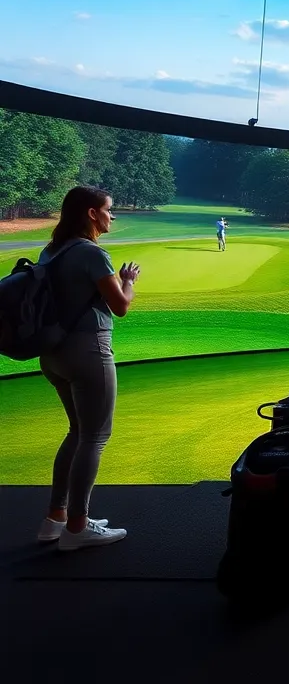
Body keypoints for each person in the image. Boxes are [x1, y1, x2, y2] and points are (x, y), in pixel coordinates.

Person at [35, 186, 140, 551]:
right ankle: (78, 528)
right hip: (89, 351)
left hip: (52, 355)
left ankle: (56, 519)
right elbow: (121, 306)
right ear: (93, 214)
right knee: (94, 437)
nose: (113, 216)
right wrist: (129, 281)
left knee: (77, 432)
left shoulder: (50, 251)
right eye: (110, 210)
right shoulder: (93, 253)